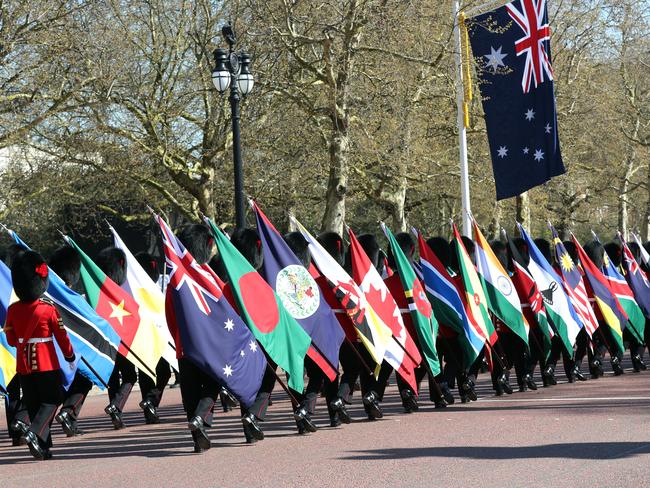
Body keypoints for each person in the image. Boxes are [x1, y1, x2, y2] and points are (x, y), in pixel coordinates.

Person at [5, 250, 76, 460]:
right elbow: (62, 338)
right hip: (46, 362)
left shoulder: (13, 310)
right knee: (54, 399)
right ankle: (34, 432)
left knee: (35, 404)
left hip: (24, 365)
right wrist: (70, 356)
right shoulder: (47, 309)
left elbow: (11, 340)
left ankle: (42, 447)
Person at [50, 245, 94, 437]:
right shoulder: (72, 298)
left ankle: (24, 421)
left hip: (47, 354)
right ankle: (69, 413)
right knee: (85, 380)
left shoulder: (45, 293)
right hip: (63, 355)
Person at [97, 247, 139, 429]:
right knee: (130, 376)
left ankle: (116, 414)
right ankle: (116, 406)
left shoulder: (97, 292)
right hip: (122, 342)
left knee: (112, 378)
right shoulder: (121, 292)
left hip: (106, 342)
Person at [134, 251, 172, 424]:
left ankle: (150, 406)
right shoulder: (136, 287)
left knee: (152, 373)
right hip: (148, 333)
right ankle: (150, 403)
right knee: (161, 372)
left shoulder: (161, 284)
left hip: (155, 333)